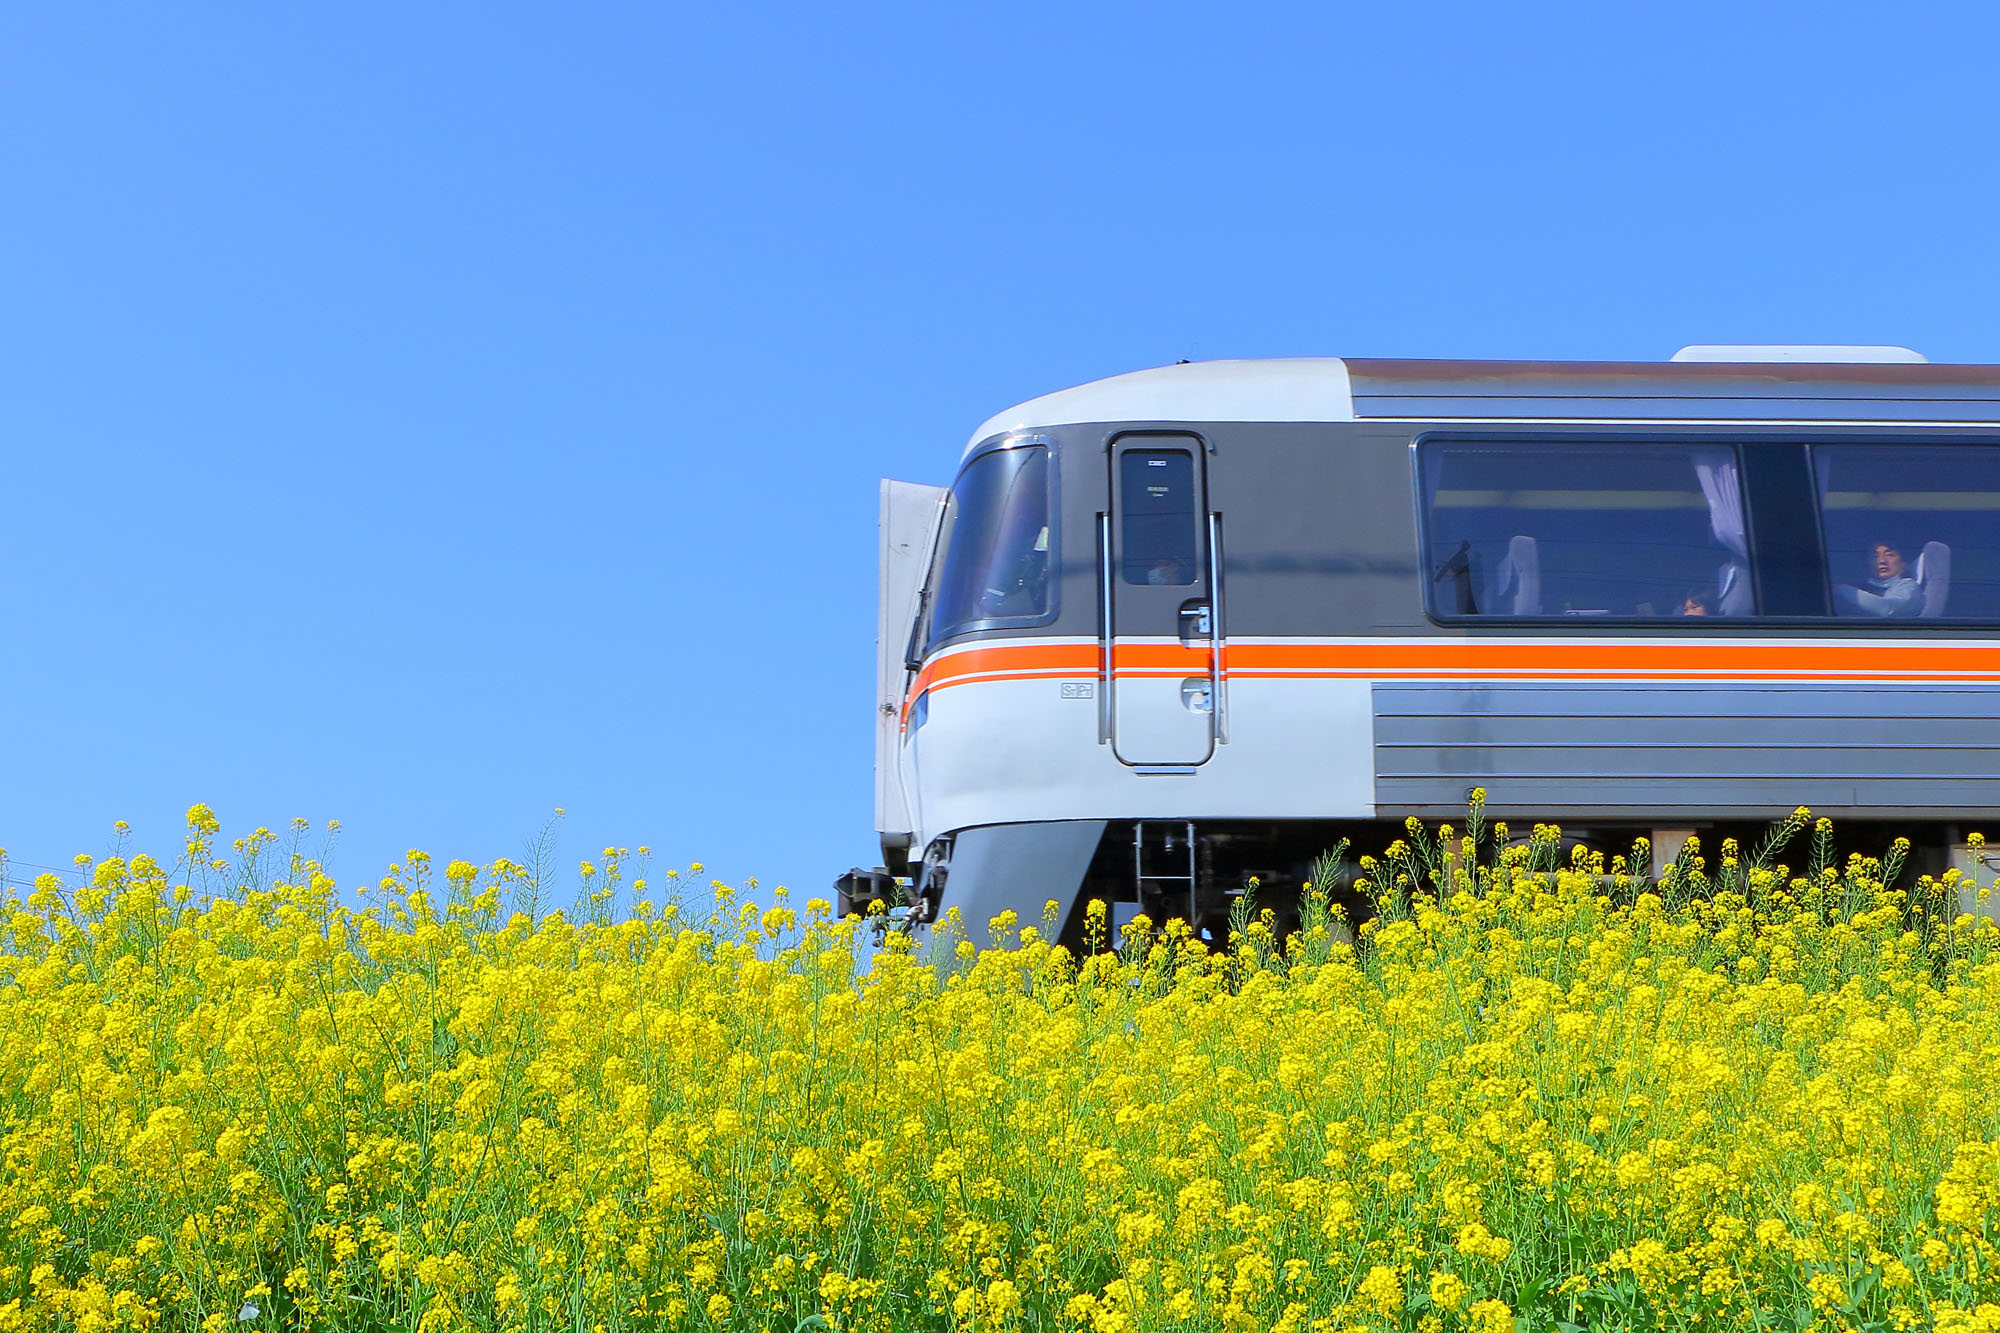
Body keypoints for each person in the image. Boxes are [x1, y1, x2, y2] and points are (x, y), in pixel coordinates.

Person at [1834, 540, 1925, 617]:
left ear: (1903, 564)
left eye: (1890, 554)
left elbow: (1888, 609)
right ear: (1867, 566)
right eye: (1875, 556)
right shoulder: (1864, 589)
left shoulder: (1908, 586)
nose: (1882, 561)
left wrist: (1838, 588)